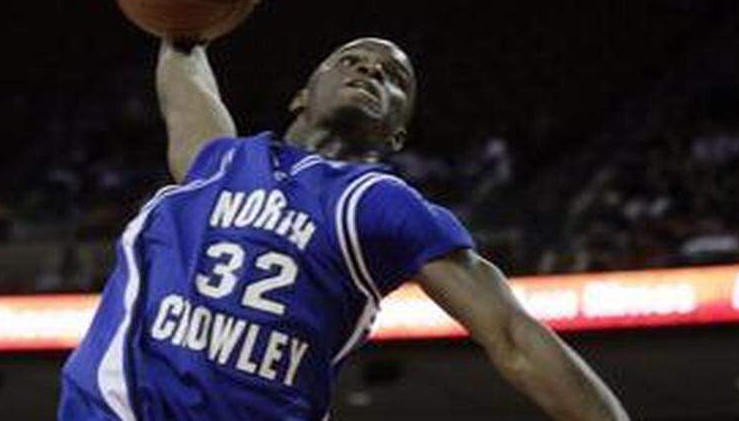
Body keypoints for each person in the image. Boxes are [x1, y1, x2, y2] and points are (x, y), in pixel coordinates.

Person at [59, 37, 629, 421]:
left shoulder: (380, 204)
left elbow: (512, 336)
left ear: (396, 135)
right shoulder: (219, 162)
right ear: (302, 95)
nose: (371, 69)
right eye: (351, 60)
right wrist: (181, 26)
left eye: (393, 78)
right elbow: (186, 72)